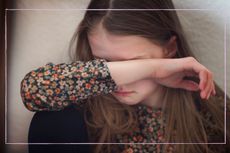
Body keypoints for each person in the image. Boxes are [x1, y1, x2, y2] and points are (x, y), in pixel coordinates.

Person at [20, 0, 230, 153]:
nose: (122, 81)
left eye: (134, 62)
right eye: (104, 62)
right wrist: (152, 69)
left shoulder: (209, 110)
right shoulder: (80, 111)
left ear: (170, 49)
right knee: (52, 122)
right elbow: (32, 90)